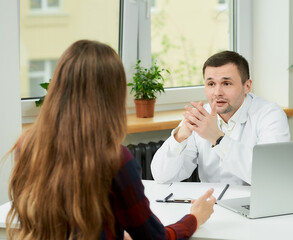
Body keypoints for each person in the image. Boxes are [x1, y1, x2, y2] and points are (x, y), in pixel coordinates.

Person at [5, 40, 216, 240]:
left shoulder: (28, 144)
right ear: (112, 94)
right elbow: (153, 237)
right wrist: (194, 218)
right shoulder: (114, 159)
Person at [151, 51, 290, 185]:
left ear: (247, 86)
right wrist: (180, 137)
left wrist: (217, 138)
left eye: (227, 83)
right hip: (212, 203)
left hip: (254, 203)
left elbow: (268, 176)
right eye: (211, 84)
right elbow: (161, 177)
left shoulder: (270, 115)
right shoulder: (199, 116)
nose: (217, 93)